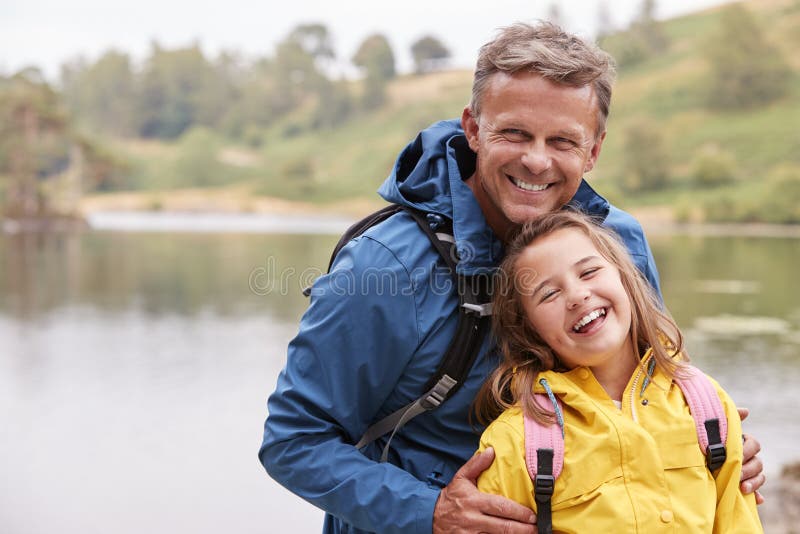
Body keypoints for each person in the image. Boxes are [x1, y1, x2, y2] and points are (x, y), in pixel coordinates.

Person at [259, 22, 764, 534]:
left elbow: (654, 384)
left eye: (563, 140)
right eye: (514, 133)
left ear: (594, 150)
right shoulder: (384, 268)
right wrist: (428, 512)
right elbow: (293, 440)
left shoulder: (619, 244)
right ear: (473, 128)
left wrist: (710, 447)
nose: (537, 160)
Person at [474, 210, 762, 533]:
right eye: (549, 294)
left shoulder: (706, 406)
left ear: (624, 277)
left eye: (589, 272)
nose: (578, 296)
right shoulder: (516, 441)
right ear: (529, 329)